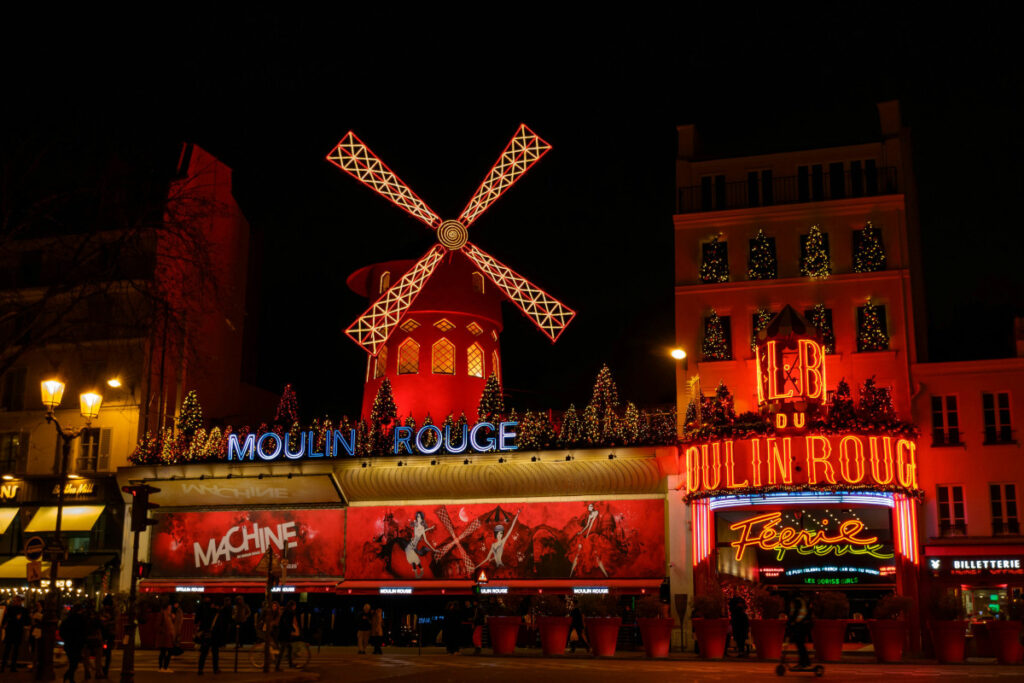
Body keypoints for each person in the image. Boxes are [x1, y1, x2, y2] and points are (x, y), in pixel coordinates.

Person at [197, 595, 226, 675]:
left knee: (204, 653)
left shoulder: (206, 610)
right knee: (215, 654)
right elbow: (220, 627)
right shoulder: (217, 613)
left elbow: (201, 621)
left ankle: (200, 669)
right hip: (214, 636)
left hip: (206, 634)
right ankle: (215, 669)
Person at [60, 603, 88, 682]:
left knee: (72, 662)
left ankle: (69, 677)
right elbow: (84, 631)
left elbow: (62, 631)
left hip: (69, 643)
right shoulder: (81, 619)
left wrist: (66, 638)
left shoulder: (68, 619)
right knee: (74, 663)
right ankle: (68, 676)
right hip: (77, 644)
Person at [1, 595, 28, 673]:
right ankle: (6, 666)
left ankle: (10, 666)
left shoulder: (19, 610)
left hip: (15, 630)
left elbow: (26, 620)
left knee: (13, 650)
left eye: (17, 601)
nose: (15, 602)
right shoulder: (13, 609)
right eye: (15, 601)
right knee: (9, 649)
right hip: (13, 631)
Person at [787, 591, 812, 669]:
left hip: (802, 625)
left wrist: (793, 622)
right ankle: (806, 661)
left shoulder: (797, 601)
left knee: (800, 643)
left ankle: (803, 662)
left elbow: (798, 613)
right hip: (804, 624)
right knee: (800, 644)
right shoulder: (801, 600)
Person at [83, 604, 105, 681]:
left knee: (86, 657)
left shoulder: (84, 617)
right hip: (96, 639)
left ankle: (87, 672)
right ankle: (98, 673)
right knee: (98, 658)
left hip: (86, 639)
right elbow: (102, 627)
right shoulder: (97, 617)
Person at [275, 601, 298, 671]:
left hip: (283, 633)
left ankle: (290, 664)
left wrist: (292, 629)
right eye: (295, 606)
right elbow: (287, 623)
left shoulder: (287, 611)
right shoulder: (290, 612)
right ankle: (277, 667)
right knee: (282, 650)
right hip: (284, 634)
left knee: (289, 648)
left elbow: (286, 622)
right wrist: (292, 629)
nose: (295, 607)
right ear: (293, 606)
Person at [155, 602, 176, 673]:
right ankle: (162, 667)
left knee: (166, 652)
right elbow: (158, 625)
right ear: (167, 607)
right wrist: (164, 632)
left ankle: (164, 667)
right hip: (164, 637)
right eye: (169, 607)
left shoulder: (169, 615)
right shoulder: (162, 613)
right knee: (165, 652)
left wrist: (173, 618)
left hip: (168, 636)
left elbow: (171, 624)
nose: (171, 608)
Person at [99, 595, 117, 678]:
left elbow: (115, 621)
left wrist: (106, 622)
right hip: (104, 632)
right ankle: (102, 669)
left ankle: (105, 669)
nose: (106, 606)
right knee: (103, 652)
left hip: (108, 633)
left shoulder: (112, 611)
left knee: (107, 652)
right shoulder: (105, 610)